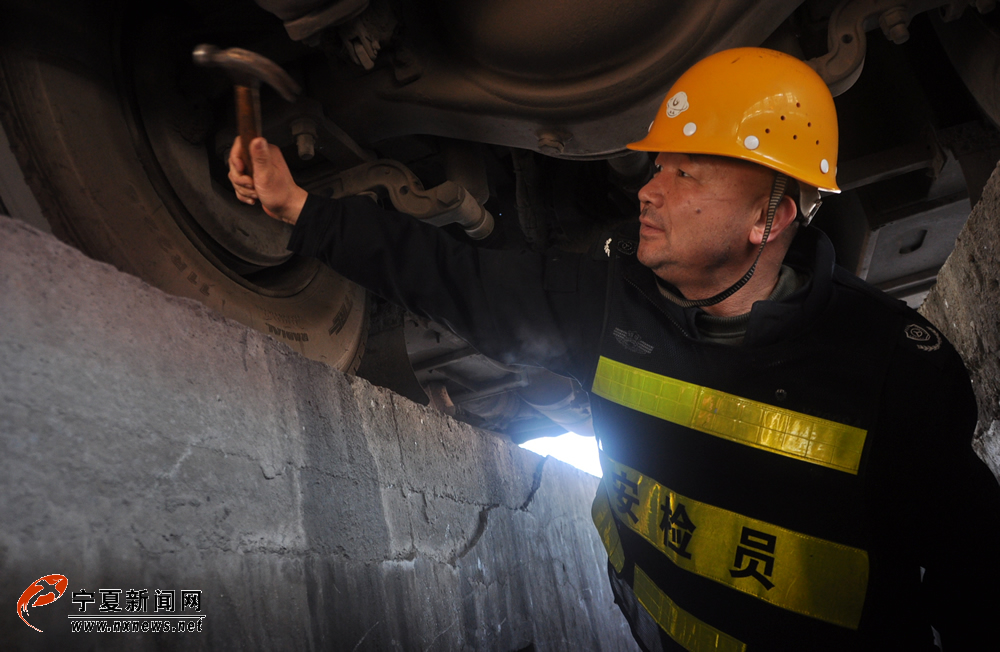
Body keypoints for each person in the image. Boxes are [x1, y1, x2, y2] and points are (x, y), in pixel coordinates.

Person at [229, 48, 1000, 651]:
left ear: (770, 216)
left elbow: (973, 584)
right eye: (658, 165)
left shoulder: (894, 370)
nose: (649, 189)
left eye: (686, 172)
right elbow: (449, 275)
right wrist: (299, 208)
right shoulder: (604, 304)